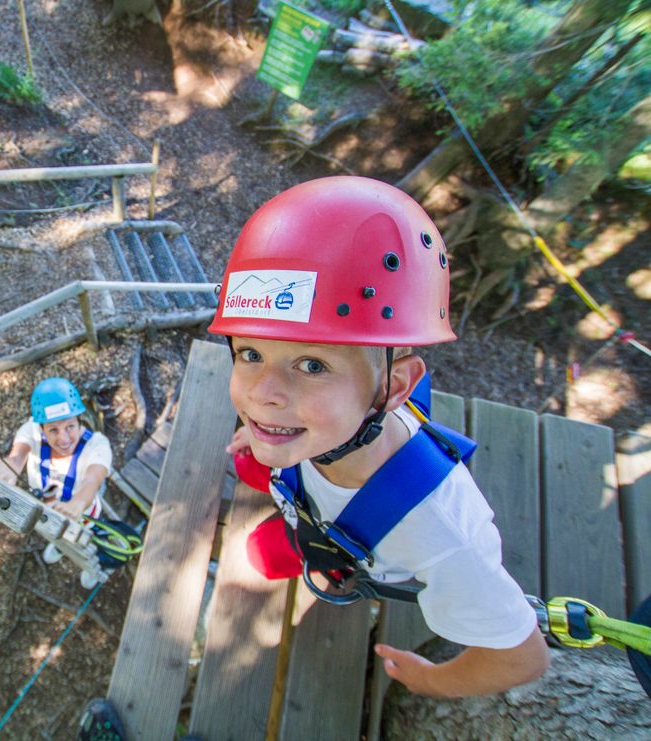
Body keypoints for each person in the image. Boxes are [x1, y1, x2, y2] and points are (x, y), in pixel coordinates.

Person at [211, 176, 550, 699]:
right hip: (309, 472)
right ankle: (275, 473)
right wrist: (262, 434)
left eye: (311, 364)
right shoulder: (312, 418)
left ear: (392, 387)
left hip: (352, 537)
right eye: (250, 354)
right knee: (249, 462)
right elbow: (271, 402)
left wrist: (432, 680)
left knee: (261, 557)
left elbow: (520, 658)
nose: (263, 394)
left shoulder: (442, 535)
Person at [0, 377, 113, 588]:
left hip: (83, 516)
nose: (63, 439)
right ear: (41, 428)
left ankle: (92, 567)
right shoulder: (32, 431)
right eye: (53, 430)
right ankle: (61, 547)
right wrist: (9, 466)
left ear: (79, 420)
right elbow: (18, 455)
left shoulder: (97, 445)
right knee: (55, 534)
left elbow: (92, 480)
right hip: (46, 511)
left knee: (87, 543)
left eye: (70, 427)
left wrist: (77, 503)